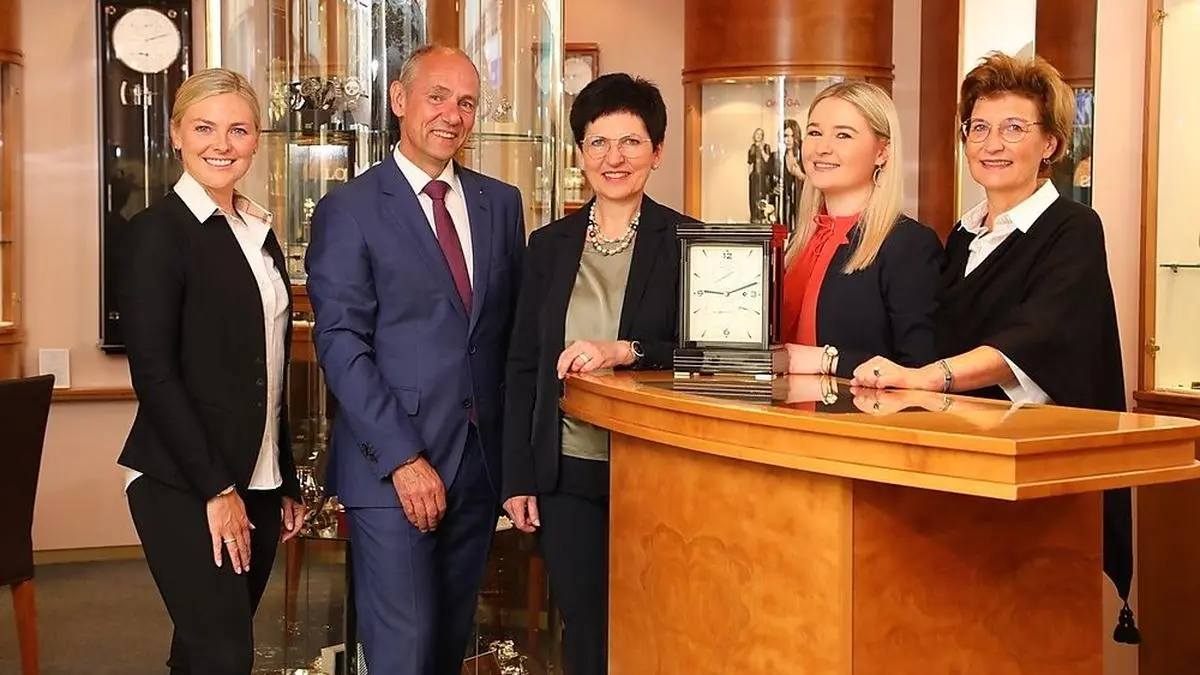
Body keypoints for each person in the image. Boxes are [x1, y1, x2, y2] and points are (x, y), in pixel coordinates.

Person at [851, 51, 1139, 644]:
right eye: (978, 127)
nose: (992, 144)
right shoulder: (962, 235)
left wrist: (929, 376)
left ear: (1051, 144)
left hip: (1039, 472)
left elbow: (1033, 338)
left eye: (1013, 128)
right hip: (970, 462)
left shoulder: (1073, 229)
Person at [304, 44, 526, 674]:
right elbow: (341, 343)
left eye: (467, 103)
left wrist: (516, 465)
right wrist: (403, 459)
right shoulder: (349, 208)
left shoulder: (500, 203)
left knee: (446, 647)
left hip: (477, 465)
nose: (452, 114)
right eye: (437, 96)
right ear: (399, 100)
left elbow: (508, 338)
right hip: (391, 467)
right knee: (403, 652)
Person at [117, 67, 306, 674]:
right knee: (225, 654)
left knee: (203, 652)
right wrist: (217, 490)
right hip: (184, 481)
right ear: (176, 134)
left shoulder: (258, 232)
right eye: (204, 128)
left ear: (256, 140)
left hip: (257, 479)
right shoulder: (157, 233)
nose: (222, 144)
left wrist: (283, 478)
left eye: (238, 130)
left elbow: (269, 368)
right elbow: (155, 374)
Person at [501, 73, 691, 675]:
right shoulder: (548, 246)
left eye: (631, 142)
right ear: (580, 154)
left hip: (658, 471)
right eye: (598, 142)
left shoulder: (688, 241)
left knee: (658, 628)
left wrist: (628, 350)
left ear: (657, 152)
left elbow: (708, 356)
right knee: (586, 632)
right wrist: (518, 476)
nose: (615, 158)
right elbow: (522, 365)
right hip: (566, 473)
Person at [778, 81, 943, 380]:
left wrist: (827, 360)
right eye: (814, 132)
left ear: (883, 152)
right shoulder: (799, 244)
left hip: (855, 410)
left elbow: (920, 368)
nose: (822, 148)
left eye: (843, 135)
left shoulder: (909, 244)